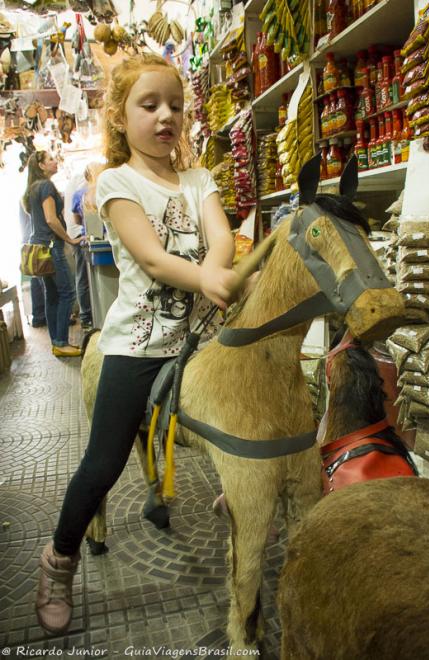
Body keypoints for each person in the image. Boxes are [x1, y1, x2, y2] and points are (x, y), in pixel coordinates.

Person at [35, 53, 242, 635]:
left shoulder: (199, 179)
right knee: (103, 464)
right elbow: (151, 255)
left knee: (248, 415)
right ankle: (58, 561)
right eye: (148, 105)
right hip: (138, 346)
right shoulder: (116, 181)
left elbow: (220, 237)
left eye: (175, 105)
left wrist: (219, 269)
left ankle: (240, 497)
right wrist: (205, 276)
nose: (165, 116)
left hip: (200, 342)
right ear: (121, 118)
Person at [23, 151, 83, 357]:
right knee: (67, 293)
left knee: (52, 295)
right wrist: (70, 239)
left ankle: (56, 342)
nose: (54, 161)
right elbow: (50, 219)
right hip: (50, 247)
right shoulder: (46, 186)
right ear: (40, 165)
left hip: (38, 247)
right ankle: (61, 342)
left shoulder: (32, 189)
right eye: (50, 160)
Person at [70, 165, 97, 330]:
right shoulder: (99, 190)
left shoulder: (78, 194)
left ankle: (86, 316)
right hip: (99, 240)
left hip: (85, 238)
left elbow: (77, 220)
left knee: (83, 278)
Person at [18, 199, 46, 328]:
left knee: (36, 279)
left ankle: (38, 315)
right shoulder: (31, 196)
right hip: (36, 242)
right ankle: (41, 315)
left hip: (27, 242)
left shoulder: (24, 197)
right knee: (43, 280)